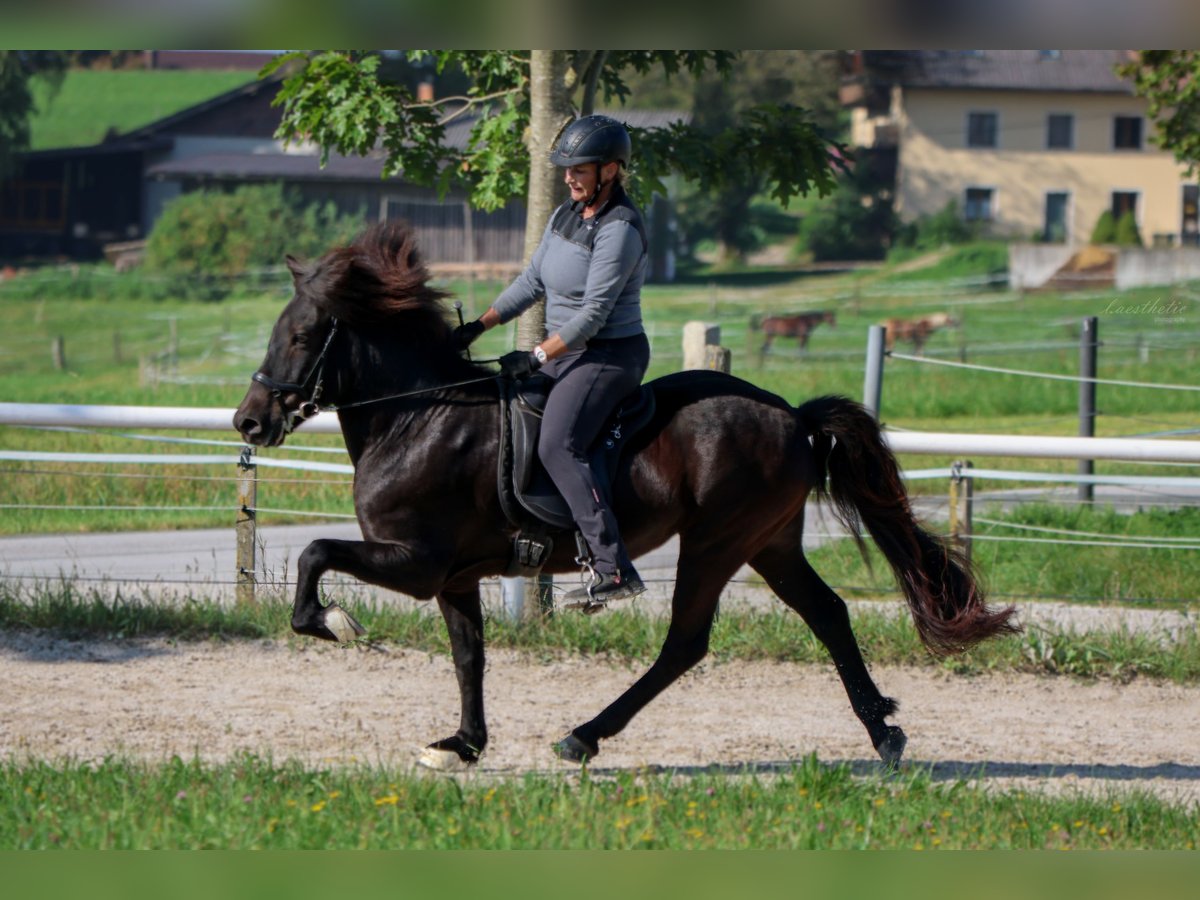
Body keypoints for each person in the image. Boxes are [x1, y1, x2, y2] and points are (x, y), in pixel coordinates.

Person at [452, 114, 651, 605]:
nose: (568, 176)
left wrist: (537, 354)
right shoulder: (566, 213)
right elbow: (532, 281)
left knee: (559, 444)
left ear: (610, 170)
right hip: (566, 350)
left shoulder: (620, 228)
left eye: (578, 169)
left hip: (606, 354)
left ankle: (613, 567)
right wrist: (480, 325)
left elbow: (593, 316)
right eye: (565, 168)